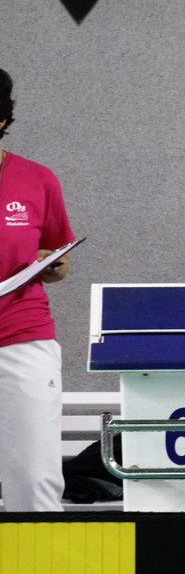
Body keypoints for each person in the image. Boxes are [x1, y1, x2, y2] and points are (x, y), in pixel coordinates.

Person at [0, 69, 74, 510]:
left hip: (21, 337)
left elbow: (57, 254)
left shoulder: (37, 180)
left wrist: (54, 264)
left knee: (33, 478)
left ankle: (36, 555)